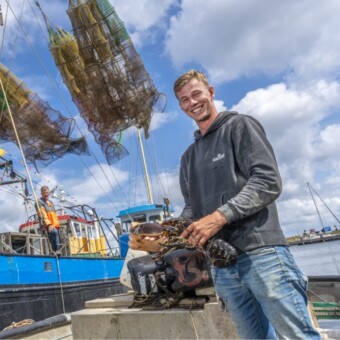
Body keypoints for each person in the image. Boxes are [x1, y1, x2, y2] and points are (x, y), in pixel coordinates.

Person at [174, 70, 320, 339]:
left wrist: (219, 216)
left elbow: (268, 181)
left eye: (196, 94)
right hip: (221, 266)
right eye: (184, 99)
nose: (192, 102)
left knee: (297, 335)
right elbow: (191, 209)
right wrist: (174, 229)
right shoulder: (188, 158)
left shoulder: (240, 126)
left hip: (262, 253)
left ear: (211, 92)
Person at [37, 186, 60, 253]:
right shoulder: (39, 202)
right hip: (46, 225)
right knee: (54, 232)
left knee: (57, 234)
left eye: (47, 192)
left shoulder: (51, 203)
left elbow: (55, 215)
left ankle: (56, 251)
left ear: (49, 193)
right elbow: (43, 214)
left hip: (54, 224)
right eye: (44, 193)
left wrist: (56, 224)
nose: (46, 194)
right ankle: (55, 251)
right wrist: (49, 224)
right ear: (41, 193)